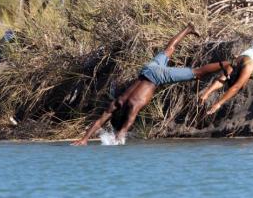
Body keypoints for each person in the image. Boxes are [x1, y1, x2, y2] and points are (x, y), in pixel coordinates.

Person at [72, 23, 228, 145]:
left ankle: (229, 63)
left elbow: (126, 121)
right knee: (169, 49)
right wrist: (85, 139)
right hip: (147, 70)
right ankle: (187, 29)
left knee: (197, 73)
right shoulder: (118, 101)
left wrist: (117, 137)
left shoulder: (129, 104)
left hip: (158, 77)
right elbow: (101, 121)